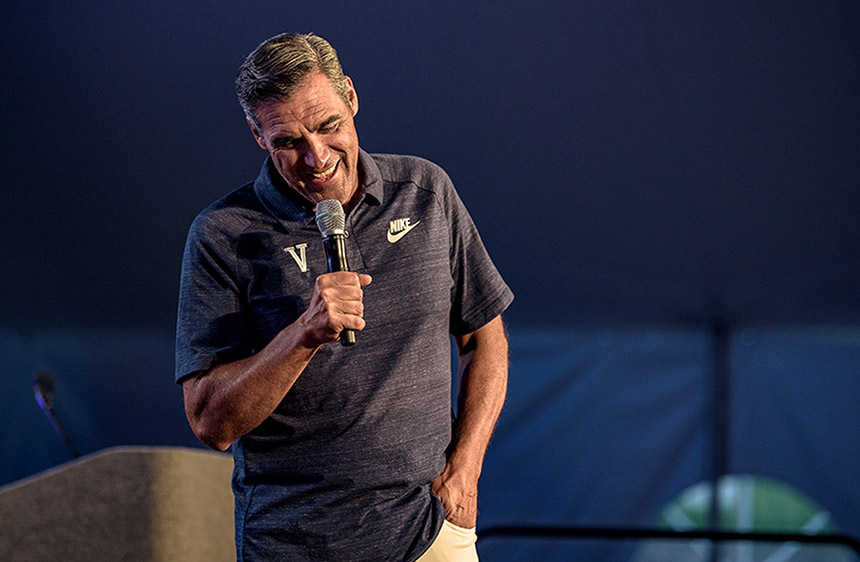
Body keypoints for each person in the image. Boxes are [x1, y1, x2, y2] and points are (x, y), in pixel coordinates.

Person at [175, 32, 513, 562]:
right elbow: (210, 423)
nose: (315, 157)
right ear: (257, 135)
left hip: (431, 531)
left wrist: (465, 472)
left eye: (328, 125)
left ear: (351, 96)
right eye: (288, 141)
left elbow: (484, 337)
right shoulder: (223, 234)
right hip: (293, 546)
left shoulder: (425, 191)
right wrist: (303, 334)